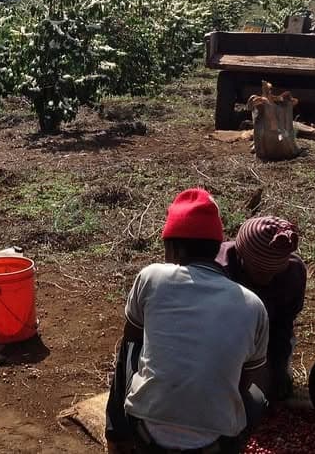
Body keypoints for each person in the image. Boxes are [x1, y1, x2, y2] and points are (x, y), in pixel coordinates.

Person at [106, 189, 269, 454]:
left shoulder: (152, 277)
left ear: (174, 247)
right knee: (258, 398)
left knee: (128, 349)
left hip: (146, 432)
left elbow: (132, 339)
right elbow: (247, 379)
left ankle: (116, 436)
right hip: (216, 443)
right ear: (217, 248)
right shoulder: (252, 304)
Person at [217, 216, 306, 402]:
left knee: (276, 389)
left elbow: (283, 326)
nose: (267, 279)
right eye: (259, 272)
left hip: (268, 334)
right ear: (241, 257)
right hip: (223, 336)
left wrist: (277, 370)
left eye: (274, 273)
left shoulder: (293, 273)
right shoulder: (220, 270)